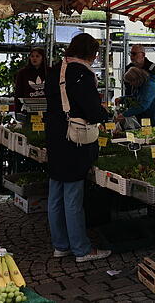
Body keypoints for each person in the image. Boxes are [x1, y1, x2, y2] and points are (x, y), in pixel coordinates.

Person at [44, 33, 111, 263]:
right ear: (90, 53)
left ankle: (60, 245)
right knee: (72, 195)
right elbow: (91, 109)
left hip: (54, 135)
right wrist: (106, 113)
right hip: (73, 140)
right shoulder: (81, 72)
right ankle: (81, 249)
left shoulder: (55, 70)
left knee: (55, 193)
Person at [14, 48, 47, 114]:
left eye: (37, 56)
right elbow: (18, 92)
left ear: (42, 58)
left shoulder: (49, 72)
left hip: (46, 109)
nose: (34, 58)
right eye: (32, 56)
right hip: (28, 108)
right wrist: (17, 111)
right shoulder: (22, 73)